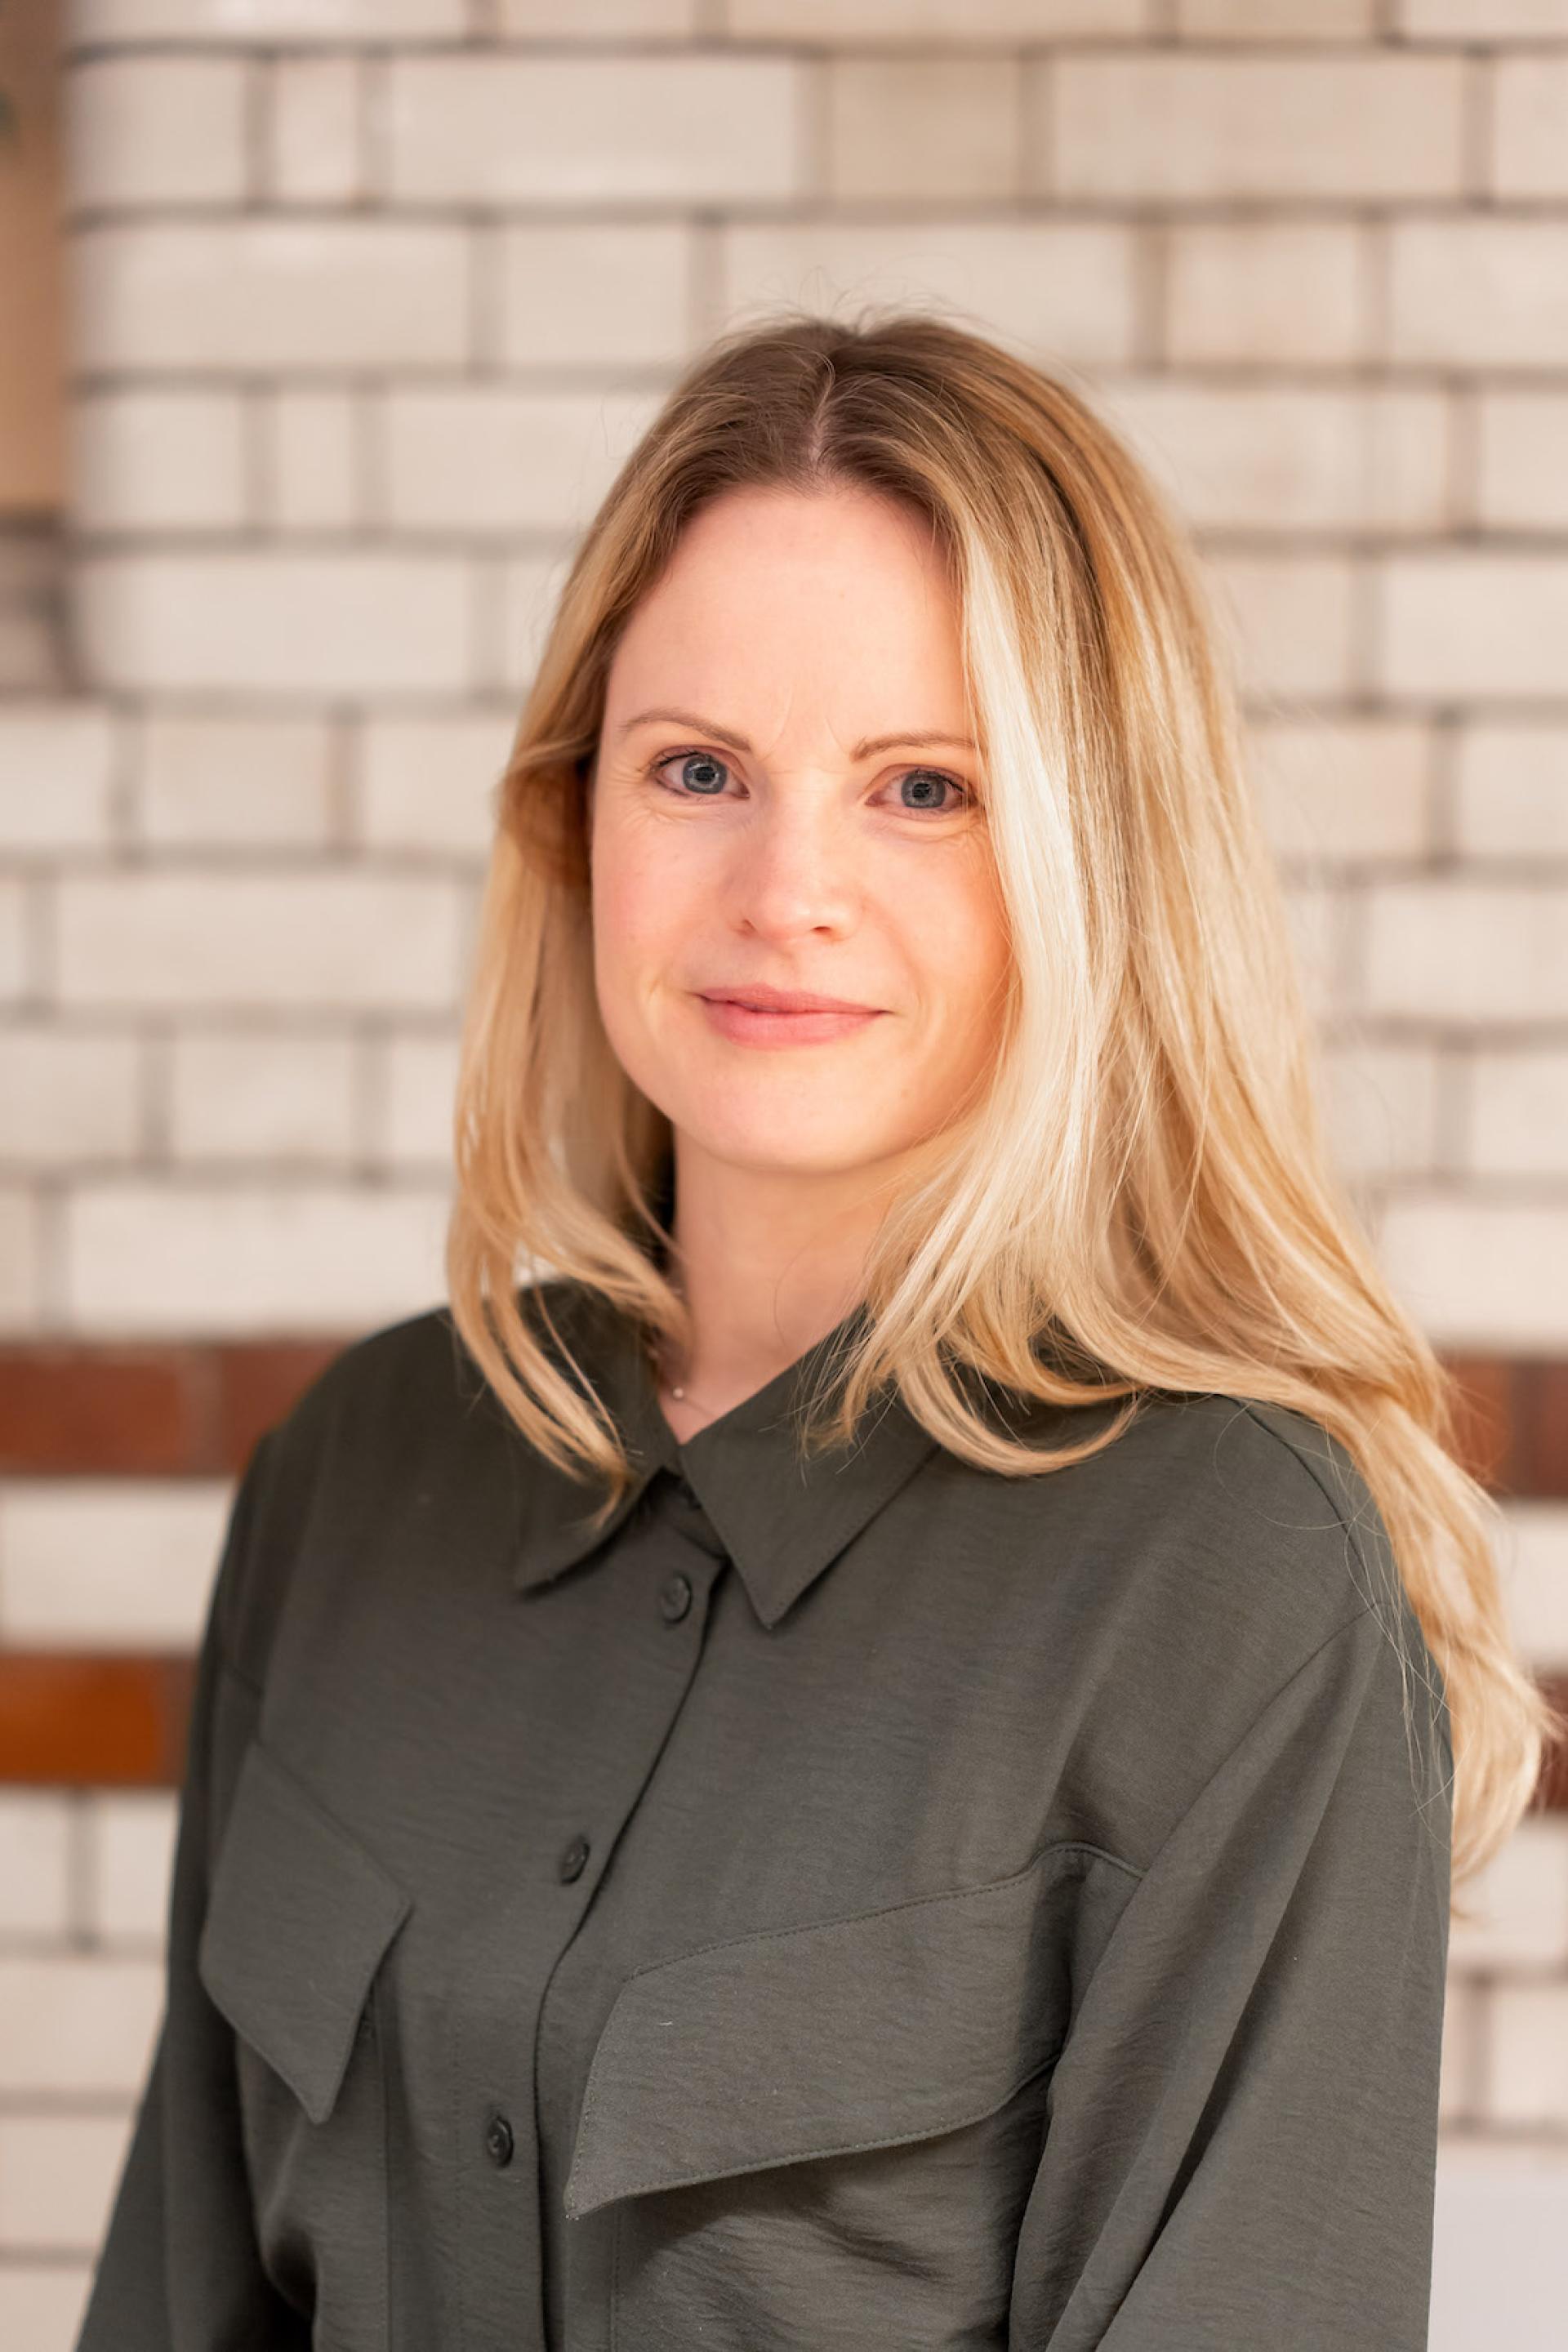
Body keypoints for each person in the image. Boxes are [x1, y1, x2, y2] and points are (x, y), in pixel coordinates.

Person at [75, 310, 1554, 2352]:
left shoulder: (1226, 1581)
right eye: (701, 770)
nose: (789, 891)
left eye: (923, 789)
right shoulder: (358, 1470)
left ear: (1089, 863)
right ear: (572, 816)